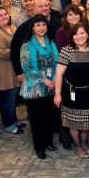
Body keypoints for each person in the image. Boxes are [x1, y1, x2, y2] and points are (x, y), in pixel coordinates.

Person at [54, 23, 89, 158]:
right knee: (73, 122)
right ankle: (78, 146)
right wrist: (57, 94)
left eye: (82, 33)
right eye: (76, 34)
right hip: (71, 93)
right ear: (72, 36)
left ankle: (84, 144)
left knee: (87, 122)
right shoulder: (67, 51)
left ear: (88, 34)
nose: (79, 36)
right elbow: (59, 74)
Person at [20, 15, 59, 159]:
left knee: (49, 116)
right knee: (37, 119)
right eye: (38, 25)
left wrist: (54, 79)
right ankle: (39, 147)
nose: (41, 28)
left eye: (43, 24)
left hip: (51, 86)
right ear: (32, 28)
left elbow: (57, 62)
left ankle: (49, 142)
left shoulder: (51, 42)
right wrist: (44, 80)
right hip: (35, 86)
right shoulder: (26, 45)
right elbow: (26, 67)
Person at [0, 6, 24, 134]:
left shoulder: (12, 27)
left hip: (12, 71)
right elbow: (0, 53)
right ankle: (9, 124)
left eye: (5, 14)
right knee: (5, 100)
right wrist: (19, 51)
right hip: (2, 73)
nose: (4, 17)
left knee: (12, 99)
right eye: (0, 15)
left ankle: (14, 120)